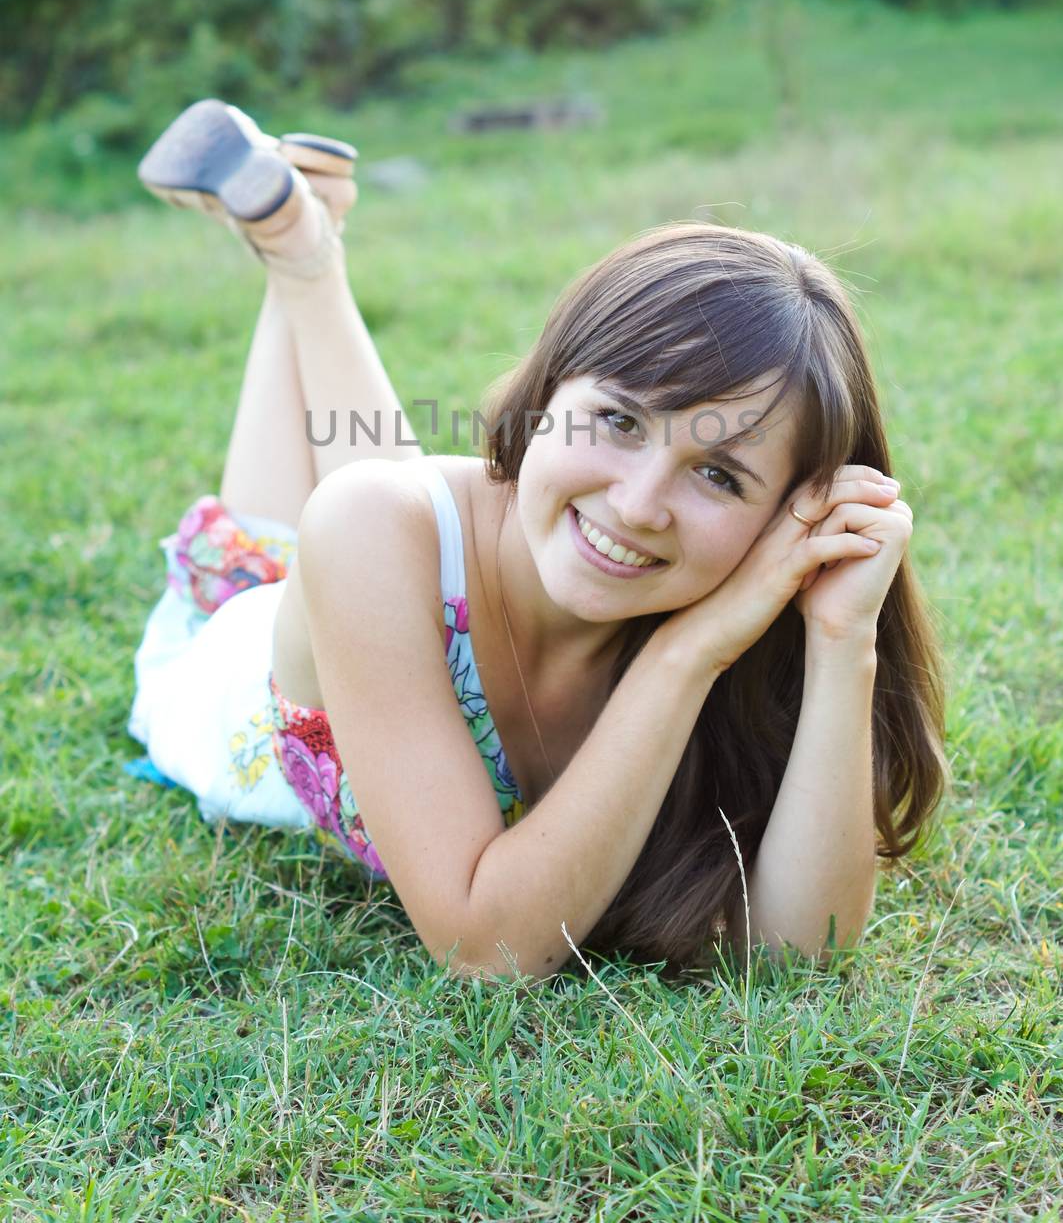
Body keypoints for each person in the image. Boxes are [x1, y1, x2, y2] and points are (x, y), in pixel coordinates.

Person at [128, 101, 947, 982]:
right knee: (341, 519)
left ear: (794, 512)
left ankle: (299, 242)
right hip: (235, 657)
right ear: (546, 389)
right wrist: (682, 660)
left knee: (400, 514)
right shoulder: (372, 533)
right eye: (618, 419)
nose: (638, 506)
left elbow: (798, 950)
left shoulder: (746, 616)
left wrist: (839, 639)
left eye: (719, 475)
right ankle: (302, 256)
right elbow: (489, 948)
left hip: (419, 563)